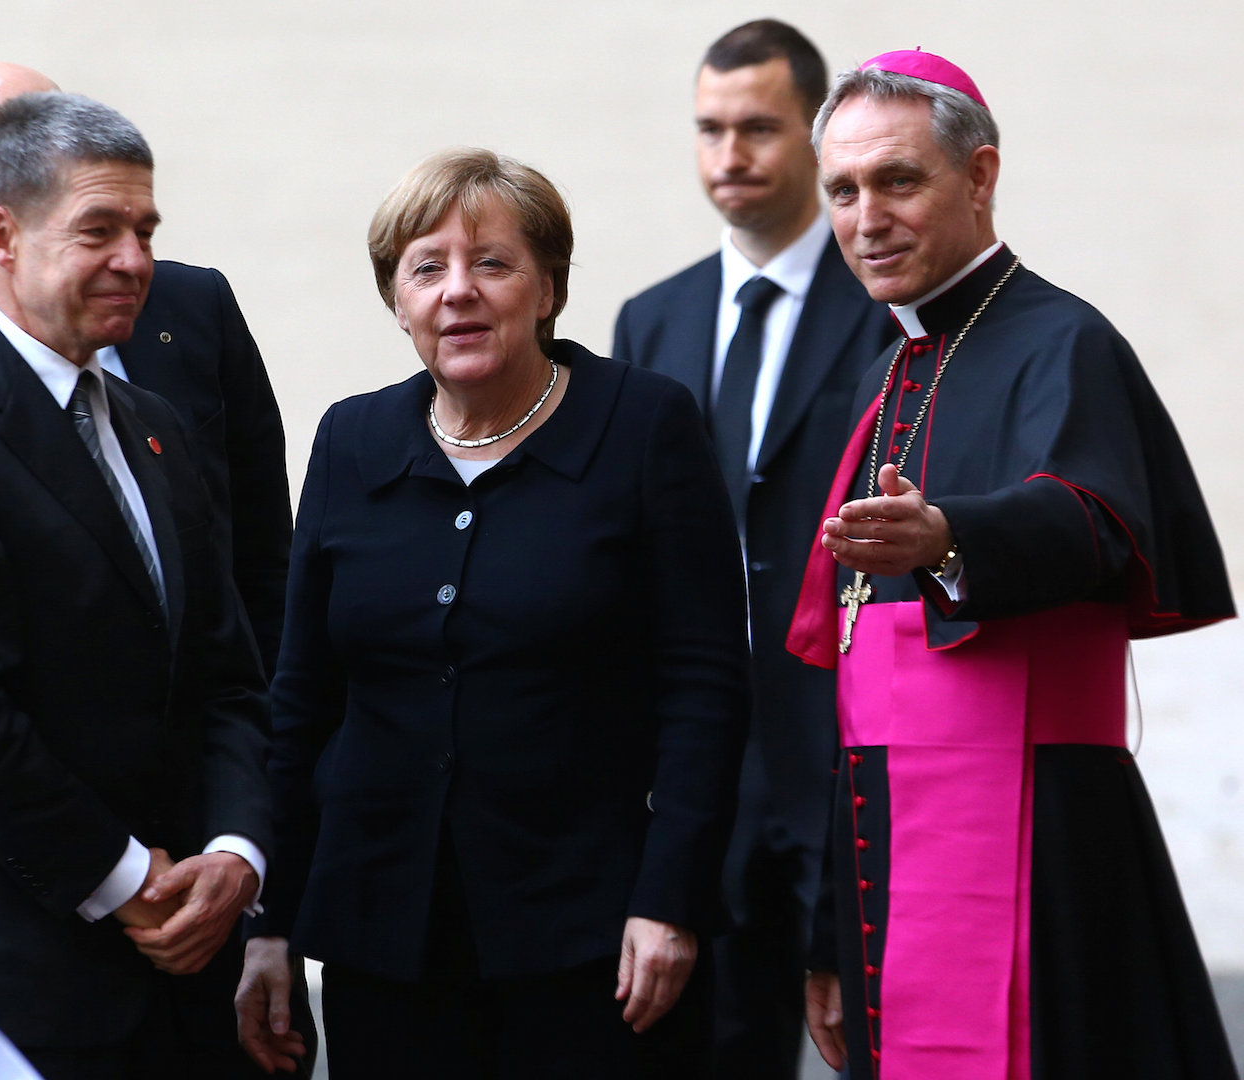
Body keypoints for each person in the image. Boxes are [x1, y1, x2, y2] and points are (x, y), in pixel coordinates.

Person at [234, 148, 749, 1079]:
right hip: (382, 936)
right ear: (396, 299)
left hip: (593, 937)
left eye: (493, 264)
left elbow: (704, 687)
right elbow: (301, 697)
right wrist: (269, 926)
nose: (457, 293)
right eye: (426, 267)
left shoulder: (641, 427)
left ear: (547, 287)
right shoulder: (352, 440)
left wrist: (668, 900)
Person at [786, 49, 1238, 1079]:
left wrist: (949, 538)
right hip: (886, 850)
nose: (866, 217)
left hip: (1037, 830)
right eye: (844, 192)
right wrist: (826, 933)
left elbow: (1094, 523)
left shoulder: (1064, 340)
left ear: (980, 177)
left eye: (898, 180)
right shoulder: (884, 369)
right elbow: (854, 691)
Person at [0, 60, 293, 1060]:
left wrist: (236, 853)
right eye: (99, 231)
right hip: (20, 950)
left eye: (147, 232)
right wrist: (128, 881)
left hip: (189, 944)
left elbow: (230, 669)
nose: (135, 260)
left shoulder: (153, 424)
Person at [611, 21, 893, 1077]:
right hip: (704, 750)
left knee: (866, 1030)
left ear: (816, 139)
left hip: (846, 735)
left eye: (760, 128)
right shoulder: (654, 321)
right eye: (711, 128)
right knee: (714, 1041)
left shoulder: (884, 311)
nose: (731, 153)